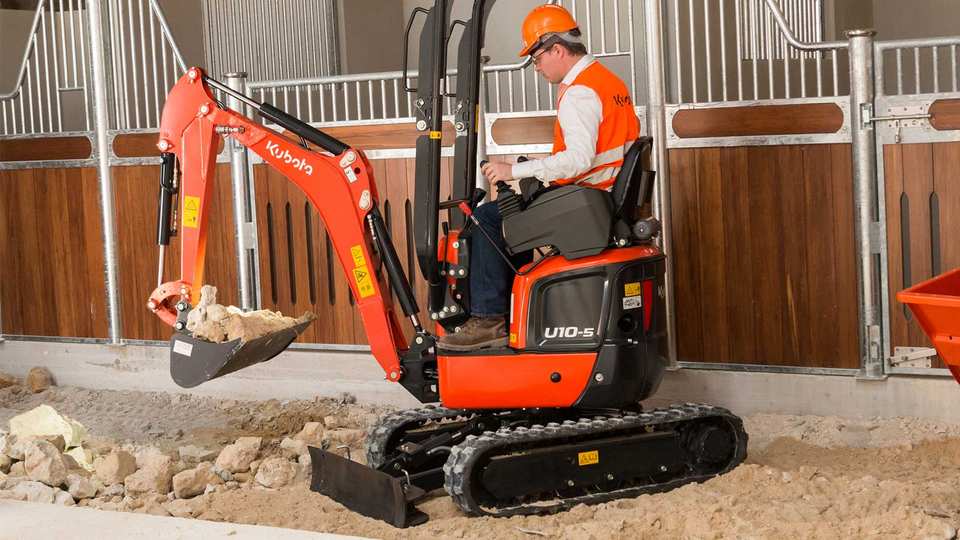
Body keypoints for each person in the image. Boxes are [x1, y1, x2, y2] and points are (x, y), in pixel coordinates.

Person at [438, 3, 640, 352]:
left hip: (586, 198)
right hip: (599, 194)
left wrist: (513, 171)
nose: (537, 67)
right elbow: (593, 153)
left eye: (537, 58)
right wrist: (536, 166)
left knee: (487, 220)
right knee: (512, 215)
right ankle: (512, 311)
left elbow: (578, 160)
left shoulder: (579, 92)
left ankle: (489, 319)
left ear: (557, 49)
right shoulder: (608, 82)